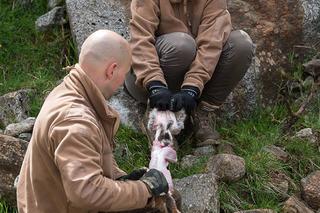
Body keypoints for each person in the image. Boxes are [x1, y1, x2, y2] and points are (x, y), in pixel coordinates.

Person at [16, 30, 169, 213]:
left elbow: (87, 167)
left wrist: (121, 178)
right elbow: (87, 192)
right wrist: (145, 189)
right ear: (111, 70)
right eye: (125, 74)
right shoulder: (76, 120)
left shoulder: (70, 91)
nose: (123, 83)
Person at [125, 0, 255, 146]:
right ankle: (158, 114)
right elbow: (140, 40)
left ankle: (201, 113)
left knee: (241, 44)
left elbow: (211, 45)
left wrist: (192, 87)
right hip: (147, 77)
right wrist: (154, 84)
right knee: (183, 44)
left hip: (192, 82)